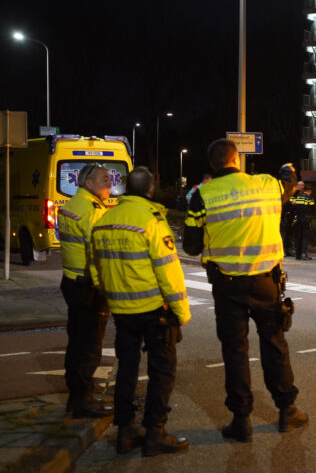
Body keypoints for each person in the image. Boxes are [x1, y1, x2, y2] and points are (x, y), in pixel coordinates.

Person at [183, 139, 308, 442]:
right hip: (267, 282)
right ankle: (287, 410)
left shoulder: (202, 196)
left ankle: (241, 420)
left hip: (227, 286)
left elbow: (191, 246)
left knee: (235, 351)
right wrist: (287, 171)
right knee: (274, 343)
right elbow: (288, 185)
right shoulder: (266, 184)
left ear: (213, 165)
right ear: (236, 160)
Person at [91, 167, 191, 457]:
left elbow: (96, 267)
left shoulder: (104, 221)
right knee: (162, 372)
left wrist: (108, 293)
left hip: (121, 311)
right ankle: (154, 434)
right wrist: (181, 311)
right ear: (150, 191)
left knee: (127, 370)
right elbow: (169, 272)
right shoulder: (152, 222)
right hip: (153, 311)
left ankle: (125, 432)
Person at [57, 163, 114, 419]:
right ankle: (84, 401)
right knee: (90, 345)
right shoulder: (93, 213)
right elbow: (101, 254)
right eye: (104, 179)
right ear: (88, 183)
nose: (109, 183)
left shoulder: (71, 206)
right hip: (90, 287)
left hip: (72, 280)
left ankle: (75, 396)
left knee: (77, 341)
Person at [289, 181, 315, 260]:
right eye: (299, 185)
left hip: (301, 219)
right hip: (301, 219)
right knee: (302, 237)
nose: (300, 186)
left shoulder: (301, 196)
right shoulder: (299, 196)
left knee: (300, 237)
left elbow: (312, 206)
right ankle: (301, 254)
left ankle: (299, 254)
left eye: (302, 185)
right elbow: (313, 207)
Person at [280, 174, 295, 257]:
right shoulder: (282, 193)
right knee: (283, 235)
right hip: (283, 218)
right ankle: (283, 251)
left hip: (289, 218)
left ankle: (288, 250)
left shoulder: (290, 194)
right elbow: (283, 204)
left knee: (289, 235)